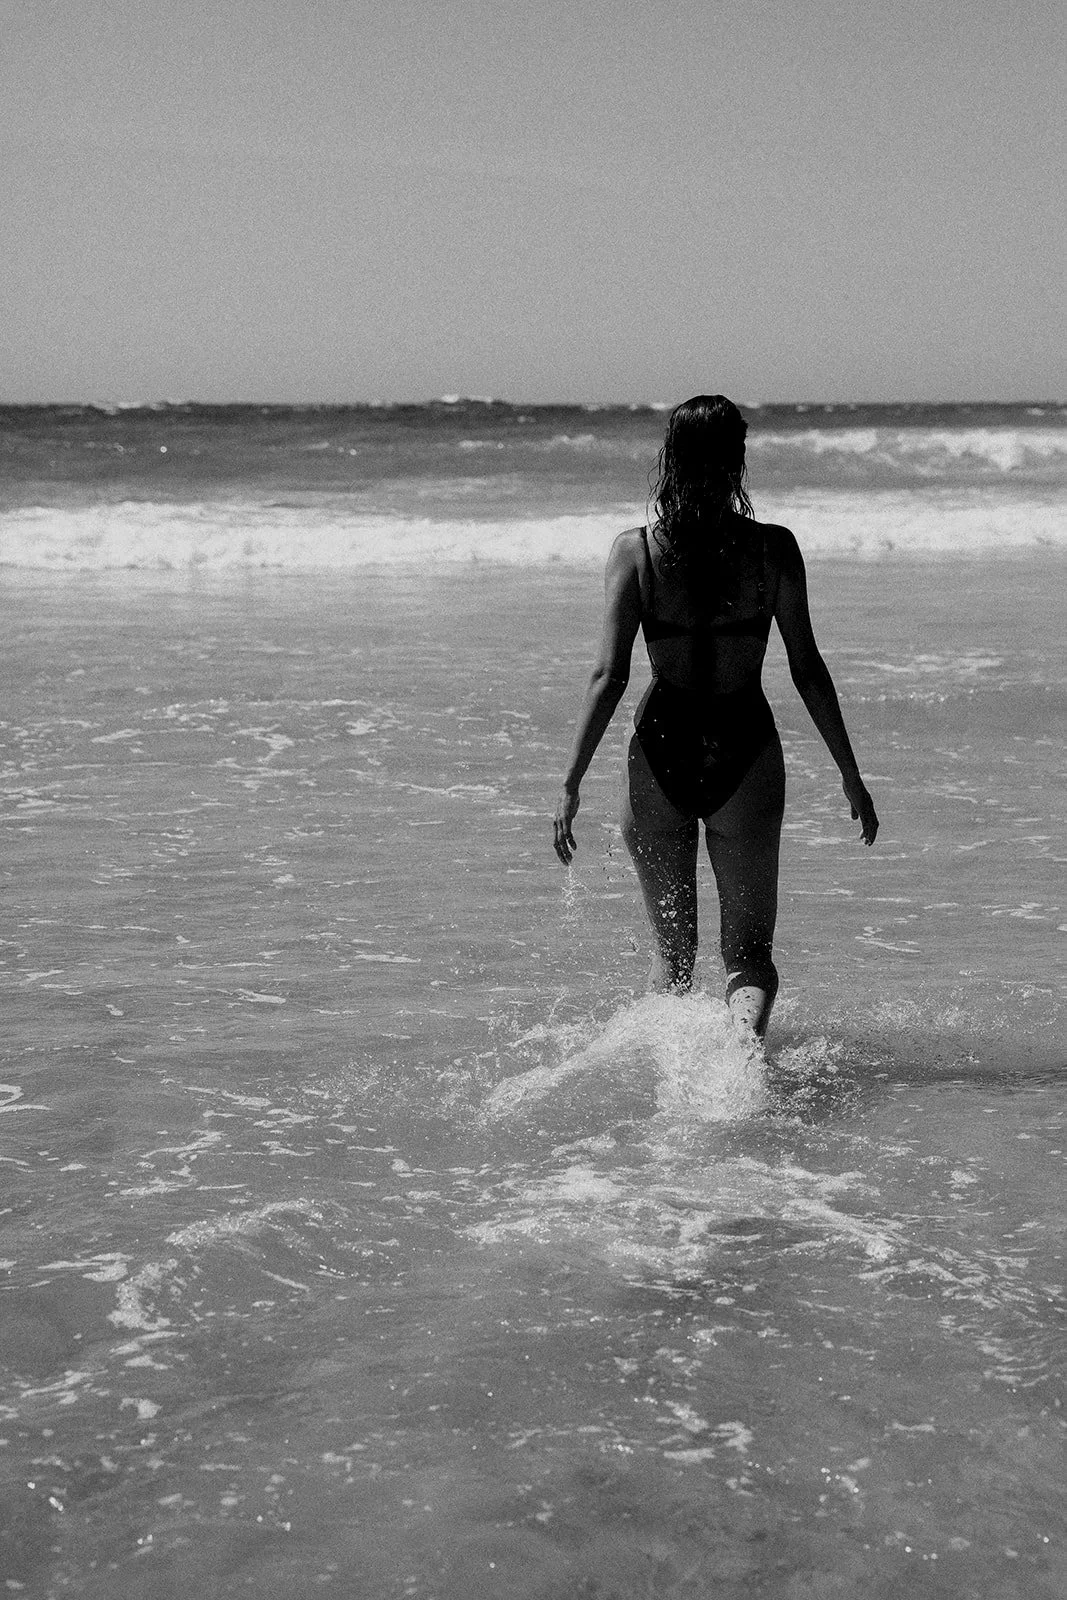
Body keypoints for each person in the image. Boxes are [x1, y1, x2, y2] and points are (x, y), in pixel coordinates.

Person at [552, 394, 878, 1041]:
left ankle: (681, 1088)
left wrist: (570, 781)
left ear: (668, 459)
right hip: (745, 750)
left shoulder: (636, 552)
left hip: (659, 752)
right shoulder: (771, 551)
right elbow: (806, 667)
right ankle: (739, 1054)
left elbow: (608, 676)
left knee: (672, 961)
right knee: (748, 957)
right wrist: (850, 774)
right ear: (736, 461)